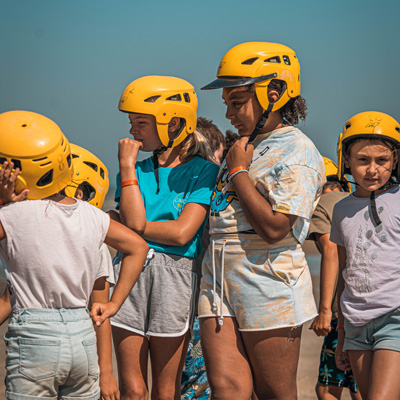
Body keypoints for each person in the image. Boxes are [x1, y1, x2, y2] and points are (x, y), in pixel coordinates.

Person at [198, 41, 326, 399]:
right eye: (226, 104)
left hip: (268, 282)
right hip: (219, 279)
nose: (228, 114)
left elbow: (274, 228)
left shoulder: (297, 151)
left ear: (274, 93)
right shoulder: (244, 144)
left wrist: (238, 170)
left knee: (275, 393)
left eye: (237, 102)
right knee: (227, 390)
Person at [0, 110, 148, 400]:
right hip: (81, 337)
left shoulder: (12, 215)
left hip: (35, 335)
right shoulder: (92, 215)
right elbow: (138, 247)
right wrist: (114, 304)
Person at [111, 76, 220, 399]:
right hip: (129, 272)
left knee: (166, 389)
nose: (133, 132)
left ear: (173, 123)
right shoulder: (132, 170)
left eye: (141, 123)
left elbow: (183, 232)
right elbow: (132, 221)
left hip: (176, 278)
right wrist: (127, 166)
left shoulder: (205, 170)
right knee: (131, 388)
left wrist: (139, 229)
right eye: (131, 123)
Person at [331, 111, 400, 399]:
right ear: (346, 161)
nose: (372, 170)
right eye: (363, 160)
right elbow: (344, 271)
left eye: (381, 161)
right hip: (356, 322)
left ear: (395, 160)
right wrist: (341, 332)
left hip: (394, 317)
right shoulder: (341, 210)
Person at [308, 157, 360, 400]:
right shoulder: (357, 201)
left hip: (345, 309)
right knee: (361, 382)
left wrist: (325, 310)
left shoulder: (324, 202)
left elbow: (330, 251)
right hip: (375, 305)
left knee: (328, 386)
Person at [181, 117, 226, 400]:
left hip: (188, 302)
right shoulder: (210, 191)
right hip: (200, 303)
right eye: (218, 157)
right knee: (198, 385)